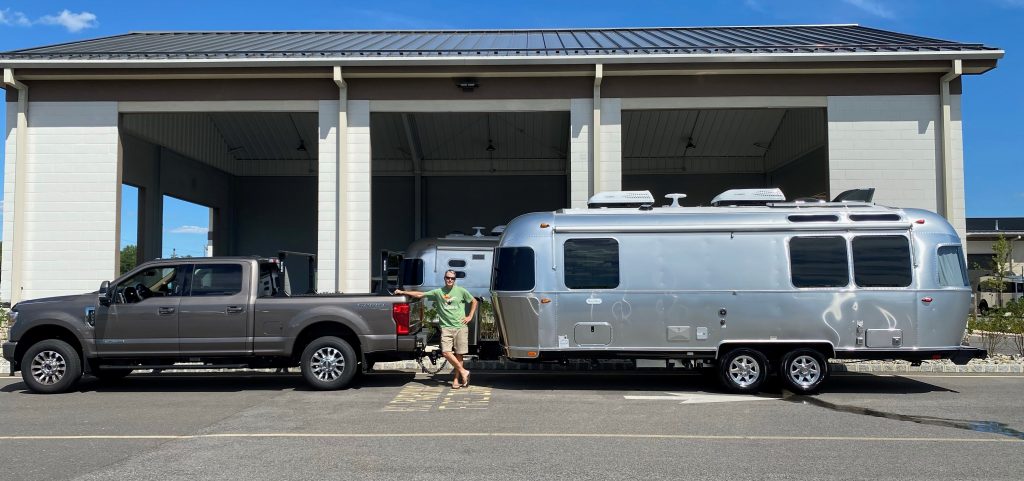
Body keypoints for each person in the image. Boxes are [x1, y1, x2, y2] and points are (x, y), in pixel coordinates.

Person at [396, 270, 478, 388]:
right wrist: (403, 292)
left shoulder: (461, 291)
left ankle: (456, 380)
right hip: (446, 328)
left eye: (452, 278)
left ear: (455, 280)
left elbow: (474, 301)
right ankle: (464, 372)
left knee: (459, 354)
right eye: (448, 278)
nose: (450, 280)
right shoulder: (438, 292)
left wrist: (470, 316)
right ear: (444, 278)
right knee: (446, 352)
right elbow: (420, 295)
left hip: (460, 327)